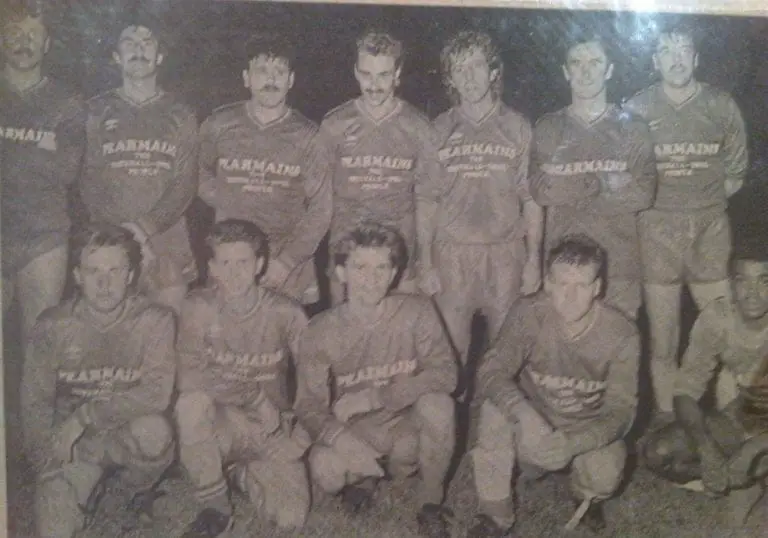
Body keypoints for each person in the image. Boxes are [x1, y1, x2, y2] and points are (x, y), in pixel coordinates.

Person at [468, 234, 639, 537]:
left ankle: (584, 496)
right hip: (536, 419)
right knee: (494, 410)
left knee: (605, 473)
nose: (570, 297)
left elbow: (622, 412)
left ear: (598, 288)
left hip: (585, 425)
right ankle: (495, 515)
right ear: (547, 283)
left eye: (582, 286)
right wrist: (524, 413)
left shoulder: (622, 333)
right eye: (562, 284)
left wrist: (575, 443)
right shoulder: (528, 312)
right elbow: (492, 369)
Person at [295, 222, 457, 538]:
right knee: (326, 472)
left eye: (382, 267)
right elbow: (308, 405)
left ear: (395, 273)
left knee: (439, 405)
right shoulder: (321, 329)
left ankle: (430, 503)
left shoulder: (417, 311)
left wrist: (376, 397)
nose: (372, 279)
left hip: (404, 428)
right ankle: (363, 481)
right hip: (357, 430)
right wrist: (342, 439)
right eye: (361, 267)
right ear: (341, 273)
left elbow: (447, 375)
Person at [624, 22, 749, 413]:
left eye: (684, 51)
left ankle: (730, 426)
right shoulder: (637, 108)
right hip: (657, 233)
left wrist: (698, 202)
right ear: (655, 59)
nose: (676, 59)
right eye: (667, 50)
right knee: (665, 341)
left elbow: (736, 172)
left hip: (709, 231)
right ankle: (670, 430)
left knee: (726, 337)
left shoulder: (720, 104)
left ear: (695, 58)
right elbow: (625, 175)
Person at [21, 224, 177, 538]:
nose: (104, 283)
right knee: (55, 529)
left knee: (155, 432)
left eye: (115, 270)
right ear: (77, 275)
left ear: (131, 275)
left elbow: (157, 394)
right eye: (93, 271)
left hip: (123, 431)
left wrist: (85, 416)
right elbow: (33, 405)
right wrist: (49, 471)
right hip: (74, 446)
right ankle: (81, 488)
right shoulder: (53, 325)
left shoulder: (155, 320)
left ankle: (129, 492)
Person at [175, 219, 311, 537]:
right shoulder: (198, 307)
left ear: (260, 264)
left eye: (243, 262)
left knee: (290, 519)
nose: (234, 274)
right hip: (223, 422)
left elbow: (315, 384)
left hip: (272, 428)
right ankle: (215, 508)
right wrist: (253, 395)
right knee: (190, 404)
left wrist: (299, 440)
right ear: (212, 267)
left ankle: (240, 475)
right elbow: (188, 377)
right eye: (225, 263)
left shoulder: (288, 313)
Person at [418, 30, 543, 374]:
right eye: (459, 69)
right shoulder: (439, 128)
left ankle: (498, 426)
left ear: (492, 72)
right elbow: (426, 199)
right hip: (453, 254)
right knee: (449, 359)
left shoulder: (517, 126)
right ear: (451, 79)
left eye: (475, 66)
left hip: (505, 255)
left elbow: (531, 199)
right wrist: (425, 262)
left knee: (506, 360)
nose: (469, 76)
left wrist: (534, 260)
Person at [530, 30, 656, 321]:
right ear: (565, 71)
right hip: (565, 270)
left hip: (619, 267)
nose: (586, 72)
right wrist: (605, 183)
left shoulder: (634, 128)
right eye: (577, 63)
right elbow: (540, 190)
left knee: (618, 357)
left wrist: (568, 182)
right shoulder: (548, 127)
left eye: (595, 62)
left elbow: (644, 194)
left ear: (610, 69)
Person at [198, 34, 331, 306]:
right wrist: (228, 199)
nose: (270, 80)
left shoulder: (309, 136)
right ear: (246, 77)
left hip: (285, 261)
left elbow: (321, 210)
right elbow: (197, 174)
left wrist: (286, 262)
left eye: (279, 72)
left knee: (281, 343)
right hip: (231, 256)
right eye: (261, 71)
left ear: (290, 80)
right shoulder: (219, 124)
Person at [643, 239, 768, 527]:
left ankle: (751, 477)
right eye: (742, 281)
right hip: (747, 413)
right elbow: (686, 390)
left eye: (764, 281)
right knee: (659, 451)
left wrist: (752, 450)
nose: (752, 293)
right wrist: (706, 447)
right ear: (731, 285)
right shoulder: (717, 317)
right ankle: (745, 479)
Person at [80, 19, 198, 314]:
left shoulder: (182, 113)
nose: (139, 50)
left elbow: (185, 184)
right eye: (129, 43)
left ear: (160, 56)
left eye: (147, 43)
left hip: (167, 242)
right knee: (112, 339)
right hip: (109, 241)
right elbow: (88, 181)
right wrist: (124, 233)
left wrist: (143, 229)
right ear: (116, 57)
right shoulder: (94, 111)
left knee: (168, 336)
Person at [319, 29, 440, 305]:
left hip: (401, 253)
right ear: (355, 72)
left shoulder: (418, 127)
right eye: (367, 74)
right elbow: (319, 198)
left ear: (398, 73)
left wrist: (426, 261)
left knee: (398, 339)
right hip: (346, 250)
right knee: (345, 336)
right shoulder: (334, 125)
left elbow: (426, 199)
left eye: (384, 75)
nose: (374, 85)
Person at [0, 3, 85, 345]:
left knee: (41, 347)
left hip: (43, 237)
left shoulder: (67, 101)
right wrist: (40, 146)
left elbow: (66, 170)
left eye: (33, 34)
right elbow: (48, 163)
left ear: (47, 44)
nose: (24, 42)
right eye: (14, 34)